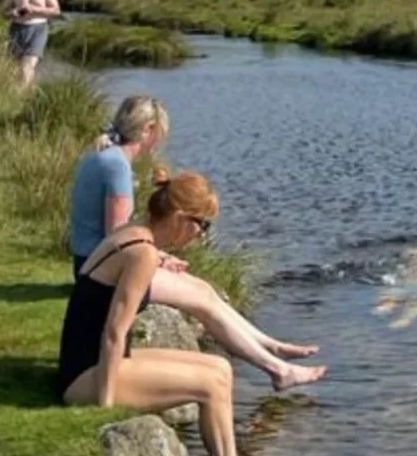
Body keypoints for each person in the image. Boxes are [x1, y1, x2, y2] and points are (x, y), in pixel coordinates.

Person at [68, 95, 326, 391]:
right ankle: (277, 368)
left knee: (204, 289)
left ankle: (273, 348)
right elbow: (117, 238)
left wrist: (159, 256)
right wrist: (159, 258)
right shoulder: (117, 167)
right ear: (148, 129)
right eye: (160, 135)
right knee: (203, 301)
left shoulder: (106, 155)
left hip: (95, 261)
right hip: (101, 271)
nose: (158, 144)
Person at [59, 169, 274, 456]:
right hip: (88, 376)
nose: (201, 235)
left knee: (220, 368)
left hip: (91, 361)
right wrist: (103, 405)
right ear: (178, 218)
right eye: (201, 225)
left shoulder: (132, 233)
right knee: (212, 385)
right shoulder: (142, 253)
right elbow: (115, 331)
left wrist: (159, 257)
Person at [2, 0, 59, 90]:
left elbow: (56, 11)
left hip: (38, 29)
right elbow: (3, 12)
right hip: (17, 29)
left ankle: (20, 97)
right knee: (15, 68)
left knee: (27, 65)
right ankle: (29, 94)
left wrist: (34, 9)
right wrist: (13, 12)